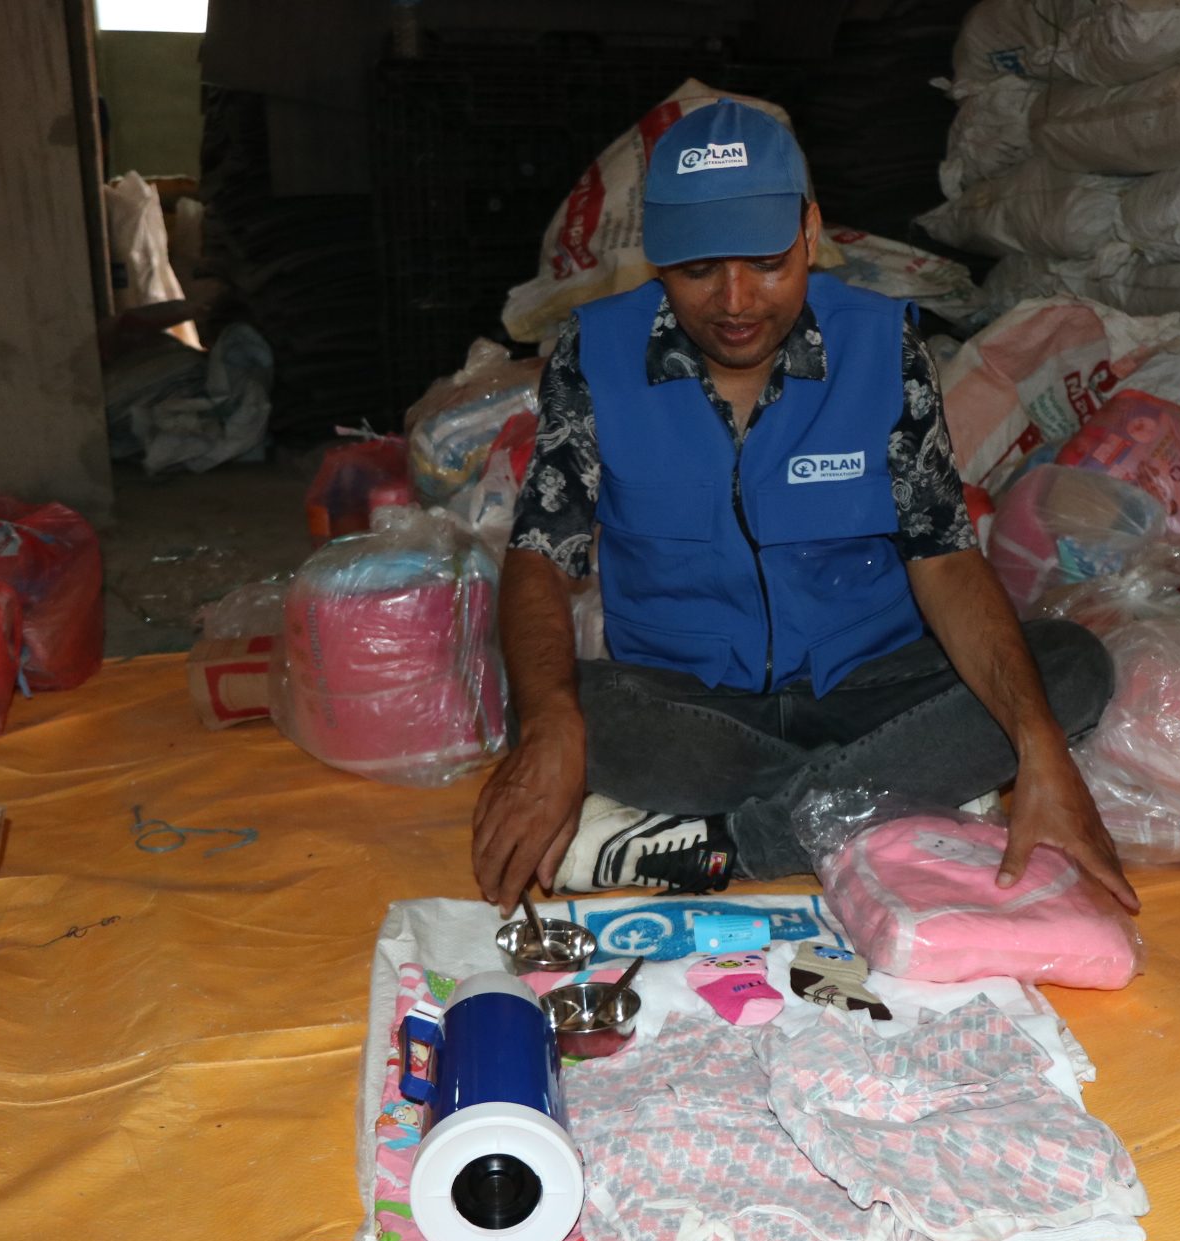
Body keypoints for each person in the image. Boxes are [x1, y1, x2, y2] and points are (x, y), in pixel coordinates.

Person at [471, 99, 1136, 916]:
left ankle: (733, 844)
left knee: (1070, 665)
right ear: (656, 258)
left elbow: (945, 557)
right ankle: (897, 796)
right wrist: (550, 729)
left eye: (767, 263)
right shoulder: (596, 354)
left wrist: (1040, 752)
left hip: (869, 682)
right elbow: (541, 553)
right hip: (700, 706)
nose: (736, 300)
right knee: (558, 705)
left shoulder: (882, 346)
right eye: (699, 270)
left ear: (811, 233)